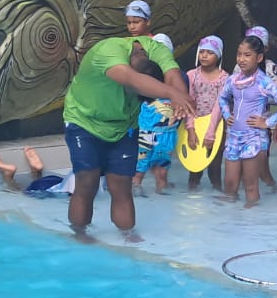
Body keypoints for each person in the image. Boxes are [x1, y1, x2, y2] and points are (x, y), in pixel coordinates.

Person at [61, 35, 193, 242]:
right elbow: (133, 80)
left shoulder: (156, 49)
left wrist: (181, 99)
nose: (134, 98)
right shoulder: (107, 52)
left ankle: (128, 234)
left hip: (124, 126)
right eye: (134, 94)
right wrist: (171, 93)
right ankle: (79, 234)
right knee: (87, 180)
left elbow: (172, 74)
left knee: (122, 184)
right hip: (84, 120)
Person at [210, 34, 277, 207]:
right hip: (233, 136)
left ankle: (252, 218)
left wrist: (267, 123)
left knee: (250, 185)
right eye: (239, 54)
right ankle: (229, 218)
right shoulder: (233, 80)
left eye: (247, 55)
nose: (241, 59)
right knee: (230, 185)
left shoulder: (264, 82)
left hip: (253, 137)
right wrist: (227, 115)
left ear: (259, 57)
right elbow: (222, 98)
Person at [185, 35, 228, 191]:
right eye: (202, 51)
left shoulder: (224, 79)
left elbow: (219, 107)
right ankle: (191, 196)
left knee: (215, 168)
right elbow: (189, 102)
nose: (204, 55)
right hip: (196, 125)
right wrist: (190, 129)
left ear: (218, 55)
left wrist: (211, 133)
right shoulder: (191, 75)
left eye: (210, 52)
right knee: (194, 168)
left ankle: (217, 196)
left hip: (217, 127)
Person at [245, 26, 277, 192]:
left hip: (262, 122)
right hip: (243, 122)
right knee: (242, 164)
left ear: (265, 49)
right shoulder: (240, 67)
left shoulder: (271, 69)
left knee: (261, 166)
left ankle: (272, 188)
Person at [132, 95, 180, 196]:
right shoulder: (175, 91)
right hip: (165, 132)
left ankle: (136, 185)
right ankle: (161, 185)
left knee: (142, 161)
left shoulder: (147, 90)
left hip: (146, 131)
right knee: (162, 162)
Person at [0, 146, 74, 197]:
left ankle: (37, 171)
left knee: (39, 184)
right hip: (47, 189)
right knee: (19, 194)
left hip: (58, 181)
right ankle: (8, 175)